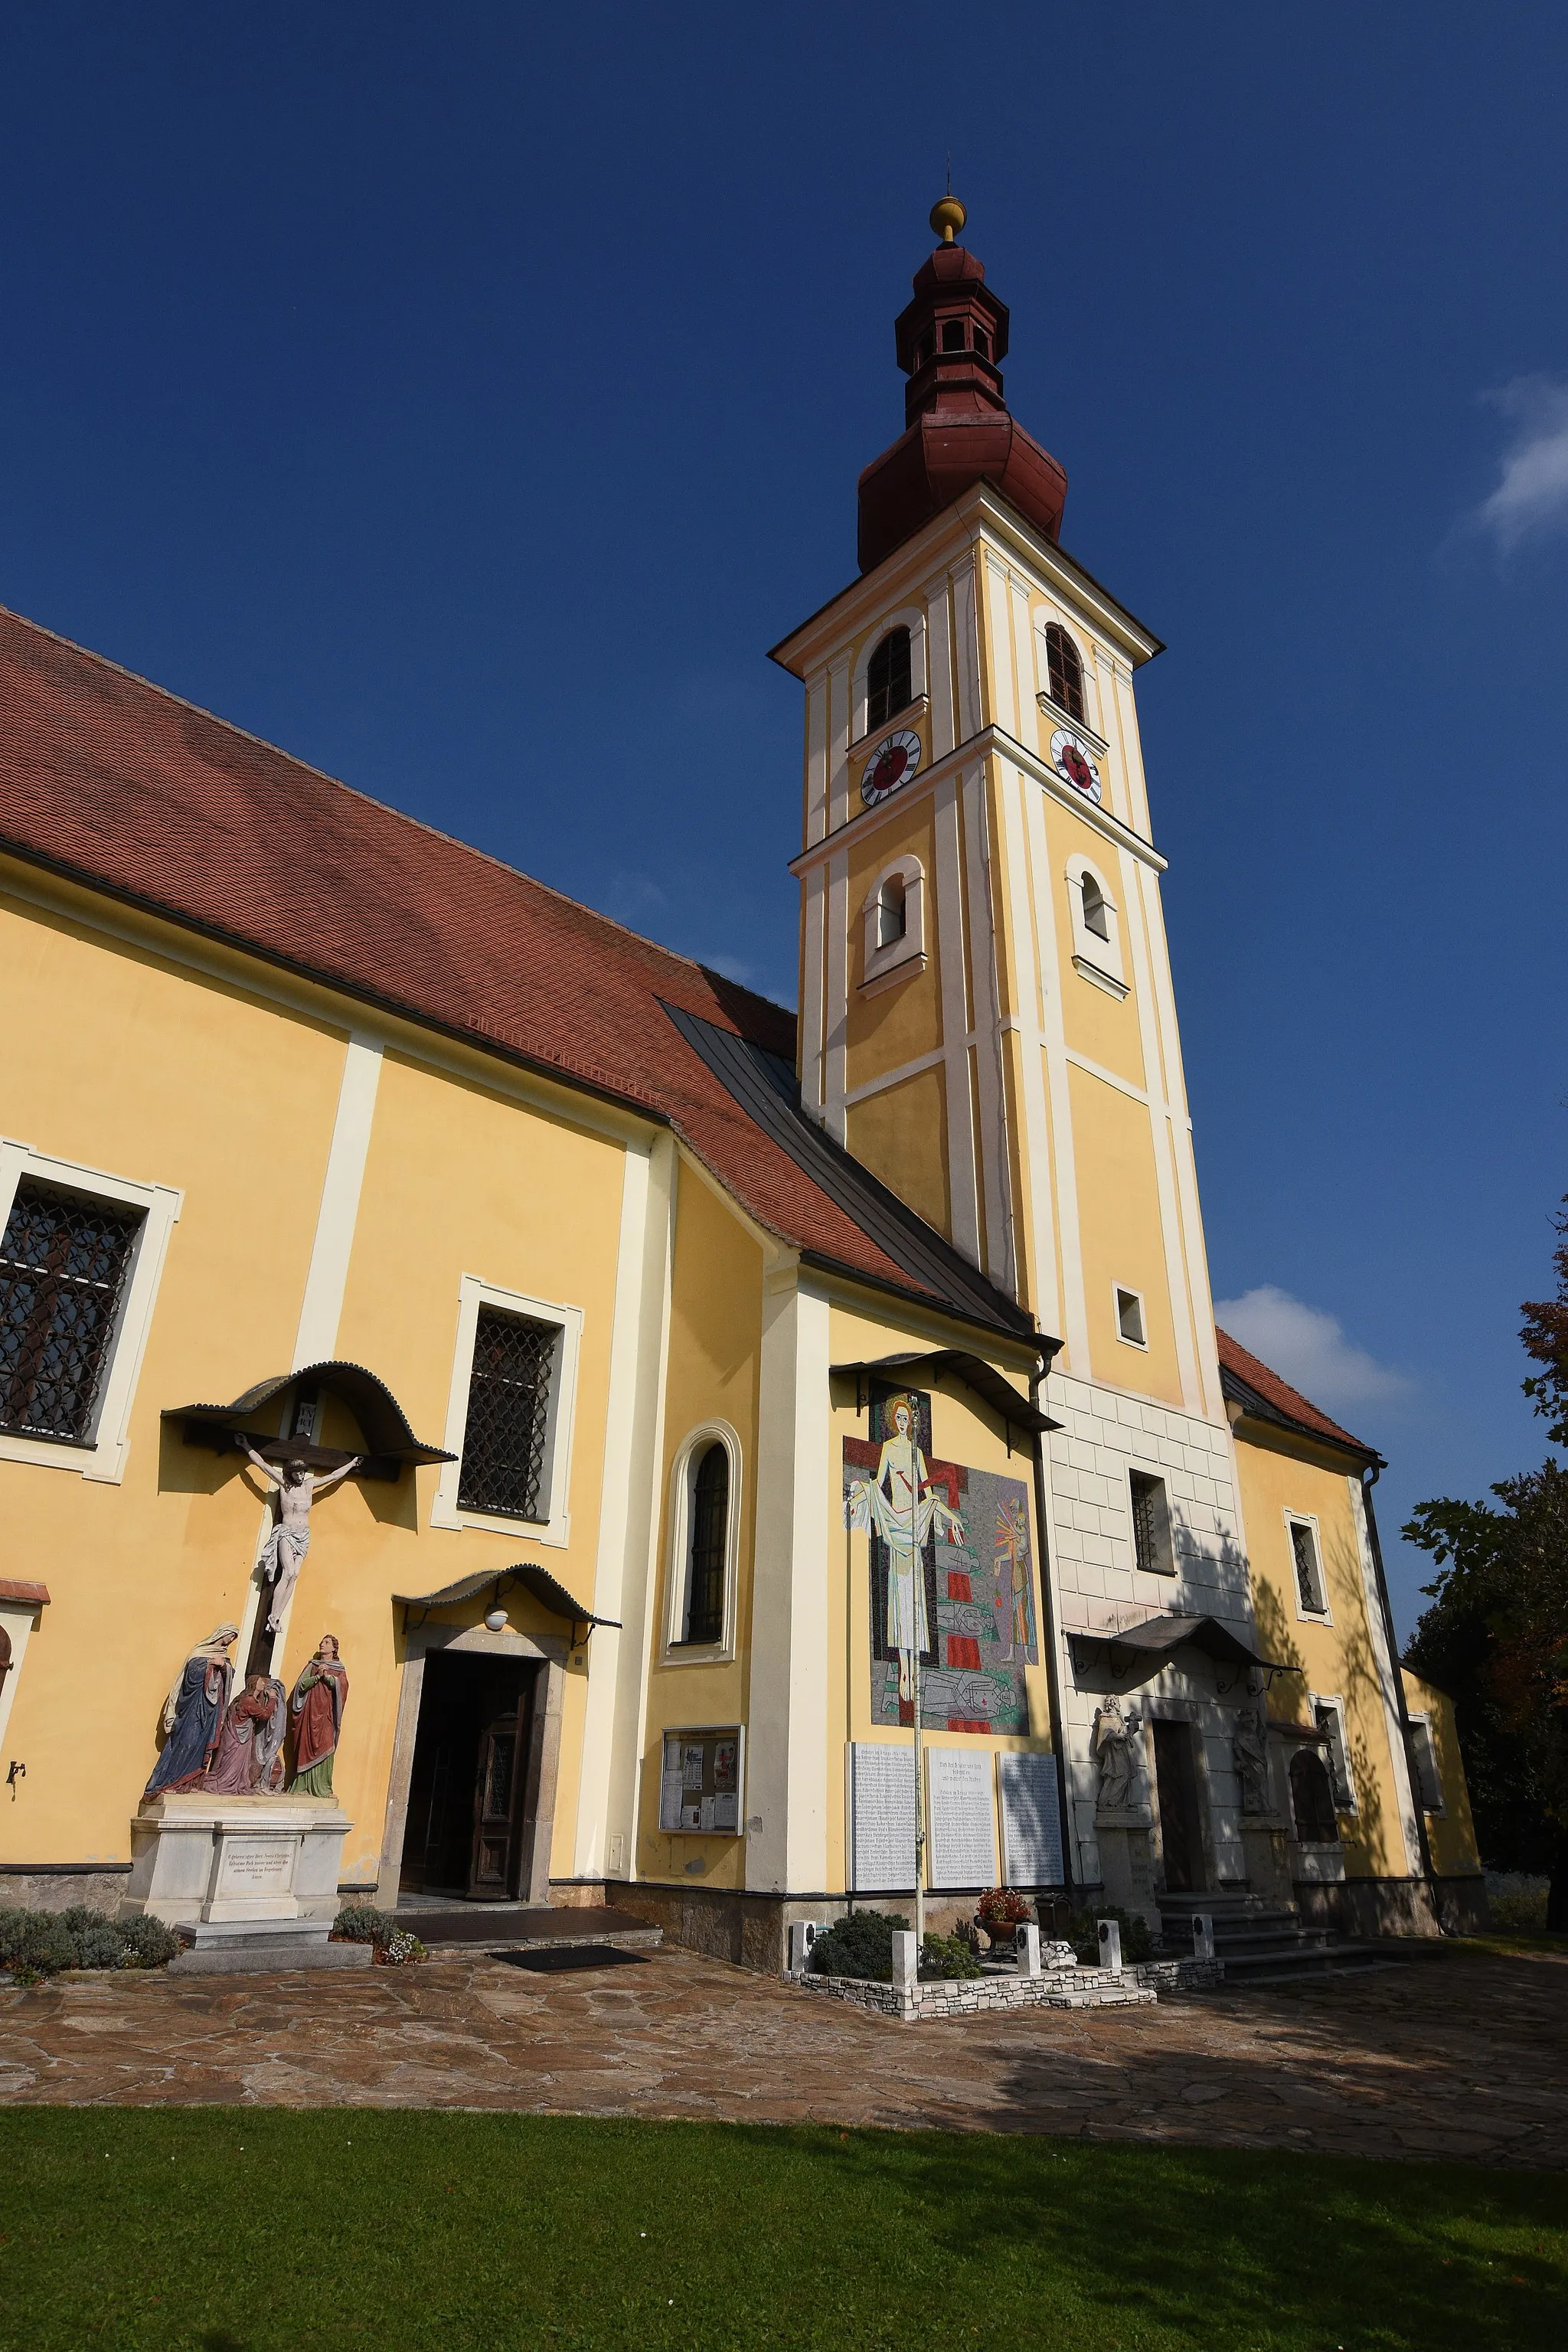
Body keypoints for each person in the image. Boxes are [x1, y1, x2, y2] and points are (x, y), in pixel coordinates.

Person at [847, 1393, 965, 1703]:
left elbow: (928, 1493)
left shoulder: (917, 1454)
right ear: (893, 1421)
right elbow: (877, 1483)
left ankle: (916, 1669)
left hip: (914, 1526)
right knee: (899, 1600)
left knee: (915, 1601)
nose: (902, 1423)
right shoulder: (888, 1449)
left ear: (912, 1422)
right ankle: (903, 1668)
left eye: (906, 1418)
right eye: (898, 1418)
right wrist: (859, 1498)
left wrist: (949, 1515)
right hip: (895, 1523)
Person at [242, 1445, 361, 1633]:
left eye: (303, 1473)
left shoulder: (309, 1485)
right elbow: (262, 1465)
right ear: (291, 1473)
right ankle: (272, 1615)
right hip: (287, 1534)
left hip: (303, 1535)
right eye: (297, 1473)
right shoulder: (284, 1485)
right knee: (288, 1572)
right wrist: (246, 1446)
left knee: (295, 1575)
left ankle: (277, 1616)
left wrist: (351, 1464)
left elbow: (333, 1477)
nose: (301, 1476)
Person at [143, 1625, 239, 1797]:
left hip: (211, 1710)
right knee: (187, 1742)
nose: (231, 1640)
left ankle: (192, 1783)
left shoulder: (224, 1657)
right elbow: (190, 1677)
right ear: (222, 1633)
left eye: (234, 1638)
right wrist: (210, 1665)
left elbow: (230, 1674)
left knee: (202, 1745)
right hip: (193, 1706)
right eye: (231, 1636)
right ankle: (170, 1781)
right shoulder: (201, 1651)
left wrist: (223, 1667)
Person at [166, 1673, 286, 1795]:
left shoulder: (244, 1698)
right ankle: (223, 1784)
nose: (264, 1684)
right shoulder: (249, 1701)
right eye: (261, 1682)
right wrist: (272, 1699)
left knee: (231, 1765)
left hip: (234, 1735)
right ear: (254, 1684)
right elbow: (264, 1715)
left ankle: (230, 1782)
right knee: (231, 1768)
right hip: (238, 1738)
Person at [289, 1635, 348, 1797]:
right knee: (305, 1744)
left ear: (334, 1649)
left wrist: (329, 1678)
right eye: (322, 1641)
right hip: (310, 1712)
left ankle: (324, 1787)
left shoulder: (339, 1669)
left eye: (327, 1642)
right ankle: (301, 1786)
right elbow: (301, 1685)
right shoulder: (312, 1666)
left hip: (327, 1715)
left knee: (327, 1744)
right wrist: (317, 1677)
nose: (322, 1644)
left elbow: (343, 1687)